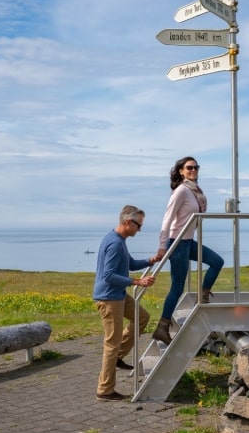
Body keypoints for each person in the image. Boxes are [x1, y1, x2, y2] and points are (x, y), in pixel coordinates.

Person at [152, 156, 224, 344]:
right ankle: (162, 328)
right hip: (176, 244)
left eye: (196, 167)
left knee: (217, 262)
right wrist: (162, 246)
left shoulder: (194, 191)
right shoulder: (181, 191)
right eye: (189, 167)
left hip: (188, 242)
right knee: (177, 286)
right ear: (181, 171)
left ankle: (203, 295)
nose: (193, 170)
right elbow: (167, 219)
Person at [92, 205, 159, 401]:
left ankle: (119, 356)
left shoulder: (120, 240)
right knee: (111, 344)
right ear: (128, 222)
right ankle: (105, 390)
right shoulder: (113, 243)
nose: (140, 229)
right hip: (109, 298)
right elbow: (108, 275)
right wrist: (137, 281)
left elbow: (129, 263)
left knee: (142, 317)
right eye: (139, 225)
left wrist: (150, 260)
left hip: (118, 294)